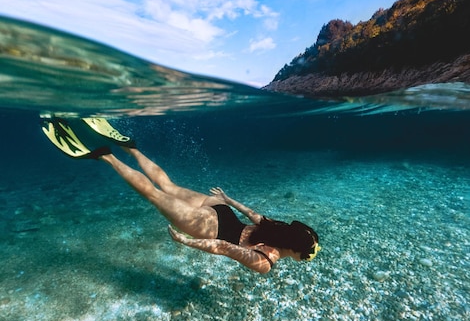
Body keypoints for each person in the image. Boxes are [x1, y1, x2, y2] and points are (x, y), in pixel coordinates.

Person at [41, 117, 320, 274]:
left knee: (168, 185)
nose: (304, 259)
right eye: (306, 256)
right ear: (296, 252)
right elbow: (223, 247)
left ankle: (132, 149)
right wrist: (187, 241)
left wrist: (228, 198)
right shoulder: (266, 261)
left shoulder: (278, 229)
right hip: (210, 227)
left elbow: (252, 215)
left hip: (221, 208)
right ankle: (108, 157)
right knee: (152, 193)